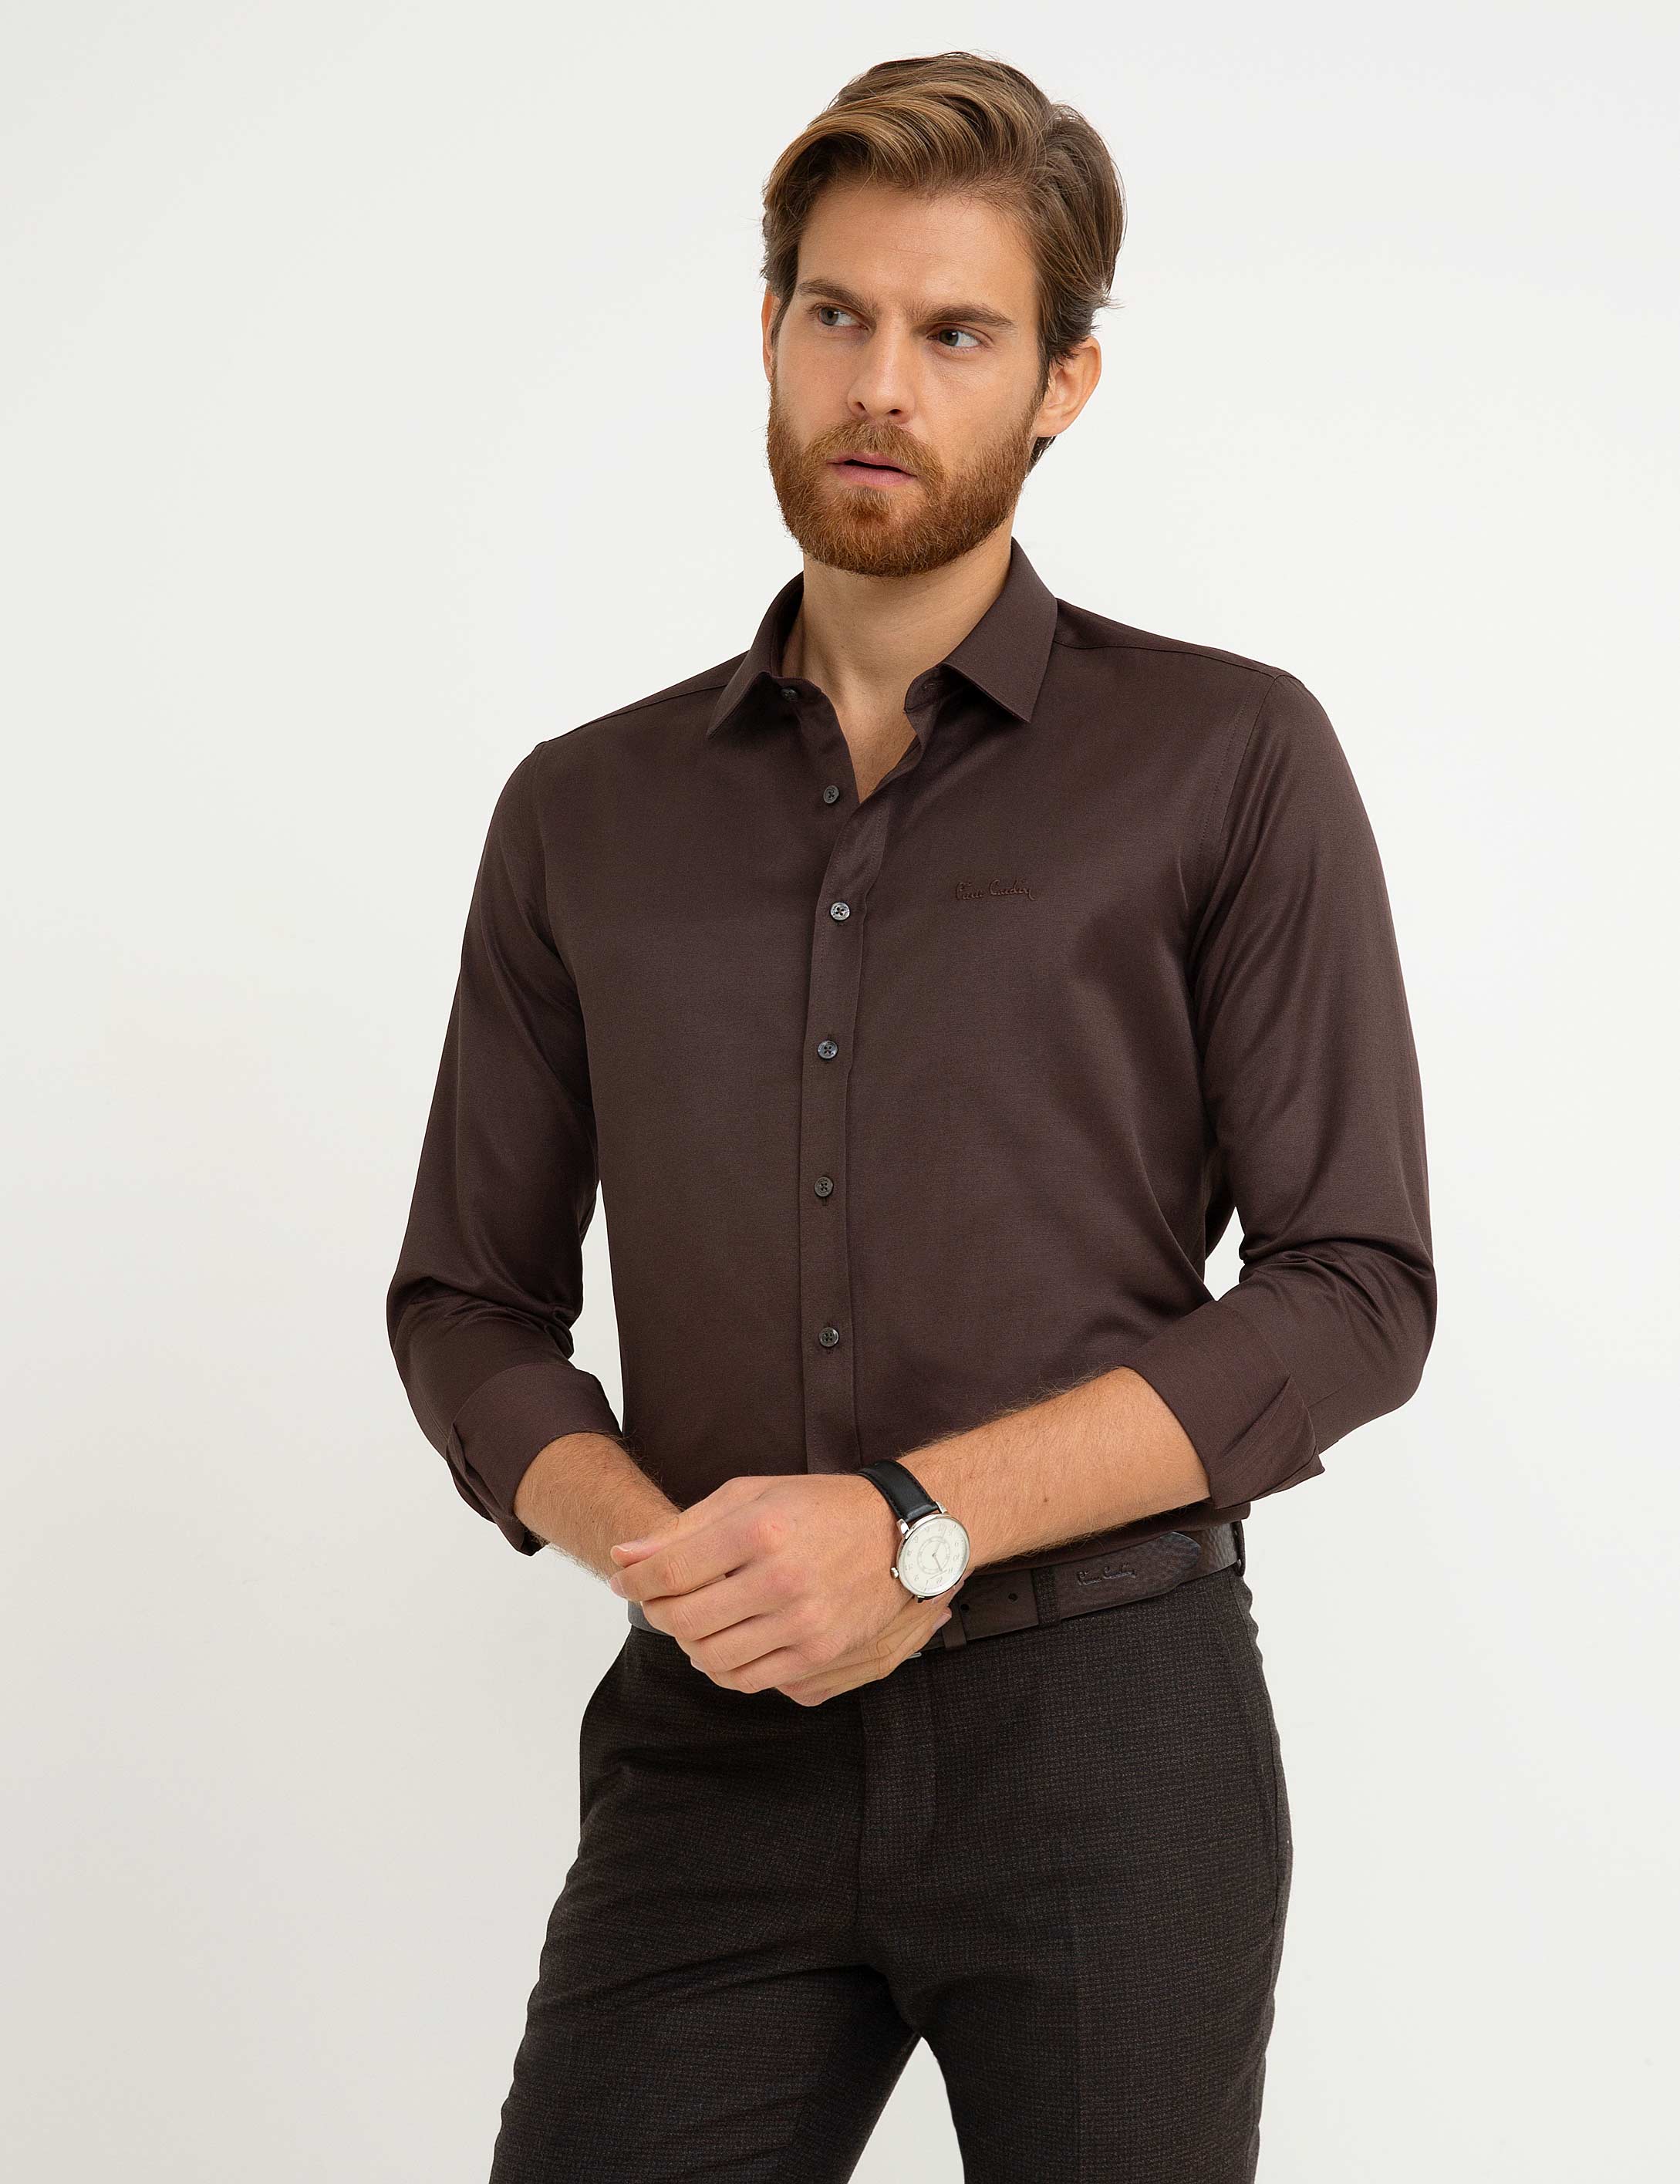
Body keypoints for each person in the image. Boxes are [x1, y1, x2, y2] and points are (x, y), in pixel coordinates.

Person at [386, 49, 1435, 2184]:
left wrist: (914, 1526)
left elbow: (1353, 1290)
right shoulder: (583, 811)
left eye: (958, 333)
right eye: (838, 315)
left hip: (1109, 1741)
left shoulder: (1227, 758)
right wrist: (671, 1555)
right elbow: (465, 1306)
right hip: (715, 1747)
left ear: (1062, 383)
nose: (881, 384)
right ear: (769, 332)